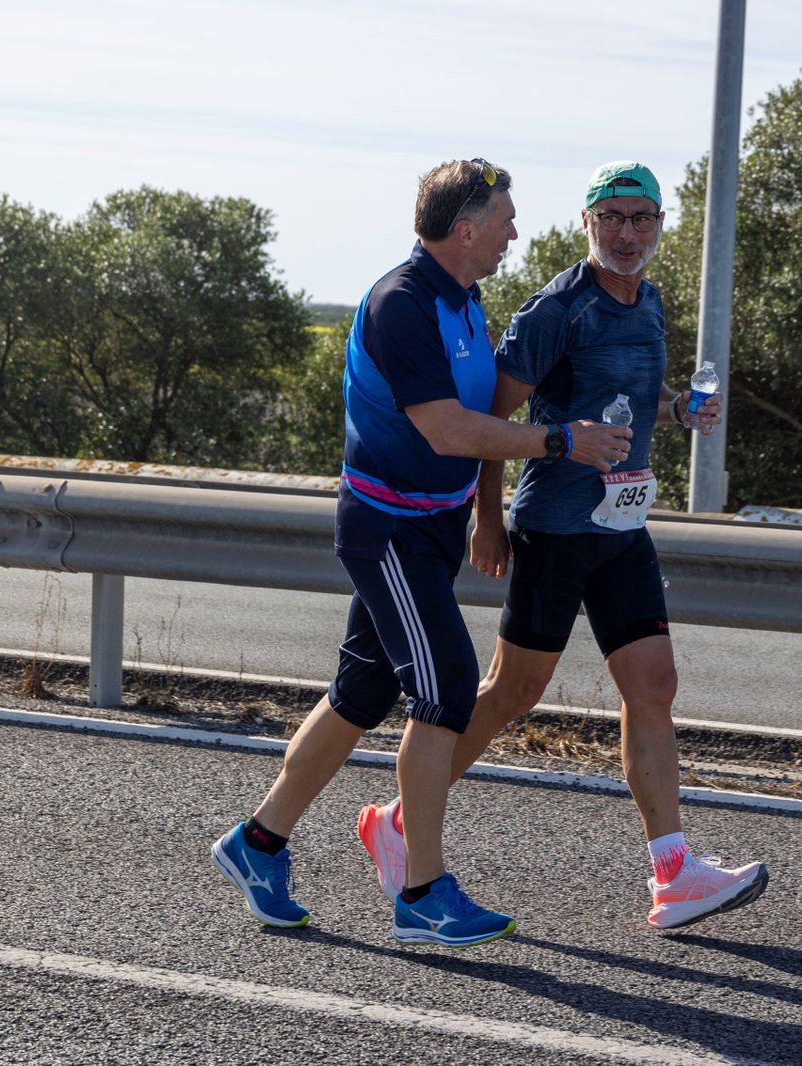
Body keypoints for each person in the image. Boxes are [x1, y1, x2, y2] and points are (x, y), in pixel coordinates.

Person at [211, 158, 630, 947]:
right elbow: (448, 430)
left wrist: (484, 513)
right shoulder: (401, 303)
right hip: (390, 532)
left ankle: (256, 844)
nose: (515, 232)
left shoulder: (463, 300)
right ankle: (423, 892)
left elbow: (478, 419)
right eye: (504, 219)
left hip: (430, 530)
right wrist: (559, 441)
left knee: (360, 695)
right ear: (464, 229)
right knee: (446, 689)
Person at [357, 161, 767, 931]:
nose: (626, 233)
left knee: (654, 685)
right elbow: (491, 416)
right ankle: (400, 822)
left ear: (659, 225)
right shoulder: (557, 308)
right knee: (513, 692)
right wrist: (487, 516)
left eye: (640, 218)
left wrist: (679, 410)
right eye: (611, 217)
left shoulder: (649, 302)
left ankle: (674, 873)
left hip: (623, 527)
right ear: (587, 223)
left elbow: (630, 399)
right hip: (554, 527)